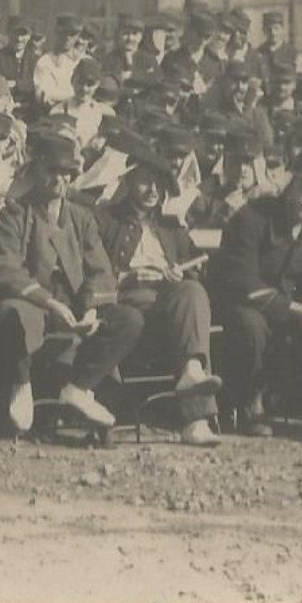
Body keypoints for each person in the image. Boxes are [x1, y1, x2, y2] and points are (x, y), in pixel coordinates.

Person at [0, 131, 146, 434]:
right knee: (16, 314)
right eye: (52, 171)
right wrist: (50, 303)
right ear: (36, 171)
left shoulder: (81, 217)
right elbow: (7, 269)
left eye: (66, 173)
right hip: (33, 302)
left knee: (128, 319)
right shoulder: (15, 214)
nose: (59, 179)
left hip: (73, 304)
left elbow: (100, 270)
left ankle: (79, 386)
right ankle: (21, 383)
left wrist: (92, 308)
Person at [93, 133, 223, 446]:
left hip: (165, 311)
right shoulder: (106, 221)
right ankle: (104, 415)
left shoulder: (171, 227)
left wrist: (182, 272)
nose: (153, 190)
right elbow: (91, 273)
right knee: (130, 316)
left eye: (159, 184)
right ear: (128, 182)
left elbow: (197, 267)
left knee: (191, 290)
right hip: (121, 305)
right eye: (145, 182)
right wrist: (130, 277)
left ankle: (194, 401)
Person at [208, 148, 302, 436]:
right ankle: (249, 401)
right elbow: (242, 281)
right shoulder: (252, 217)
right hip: (243, 304)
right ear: (290, 184)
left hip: (294, 308)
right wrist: (295, 310)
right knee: (251, 326)